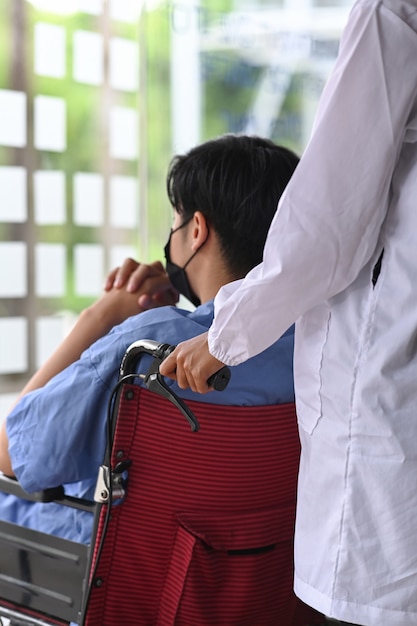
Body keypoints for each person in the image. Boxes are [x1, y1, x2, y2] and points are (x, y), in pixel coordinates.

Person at [159, 2, 417, 626]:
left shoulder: (153, 347)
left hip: (384, 423)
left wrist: (224, 335)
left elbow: (331, 214)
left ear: (198, 229)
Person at [0, 134, 299, 547]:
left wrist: (103, 314)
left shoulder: (151, 345)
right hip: (240, 581)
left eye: (175, 221)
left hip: (90, 571)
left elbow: (12, 455)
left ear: (197, 230)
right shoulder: (315, 343)